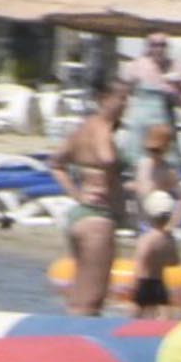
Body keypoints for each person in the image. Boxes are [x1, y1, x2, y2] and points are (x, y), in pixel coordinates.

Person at [46, 77, 130, 316]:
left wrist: (76, 194)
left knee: (80, 295)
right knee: (91, 300)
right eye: (121, 98)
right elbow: (106, 159)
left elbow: (56, 163)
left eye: (127, 98)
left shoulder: (82, 129)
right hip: (98, 219)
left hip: (81, 216)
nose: (126, 104)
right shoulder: (101, 127)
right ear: (103, 99)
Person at [119, 31, 181, 152]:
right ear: (148, 47)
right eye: (154, 45)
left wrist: (174, 94)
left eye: (162, 45)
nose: (159, 49)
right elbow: (122, 96)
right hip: (140, 127)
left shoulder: (177, 67)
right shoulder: (136, 66)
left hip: (164, 127)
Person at [128, 190, 180, 319]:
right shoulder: (169, 239)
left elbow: (140, 261)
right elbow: (174, 261)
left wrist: (133, 285)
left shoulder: (147, 239)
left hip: (144, 281)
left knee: (132, 320)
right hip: (159, 282)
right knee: (164, 320)